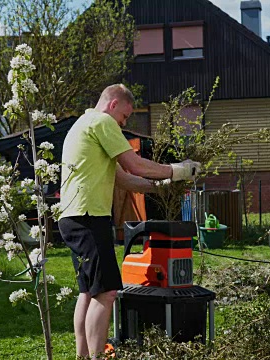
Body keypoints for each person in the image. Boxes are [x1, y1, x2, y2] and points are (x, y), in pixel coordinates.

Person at [58, 84, 201, 359]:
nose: (124, 123)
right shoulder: (102, 122)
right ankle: (96, 357)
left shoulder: (82, 124)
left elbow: (123, 178)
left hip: (72, 216)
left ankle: (83, 356)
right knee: (108, 292)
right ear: (113, 105)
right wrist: (180, 170)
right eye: (124, 117)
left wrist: (162, 186)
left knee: (88, 292)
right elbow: (134, 165)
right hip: (89, 217)